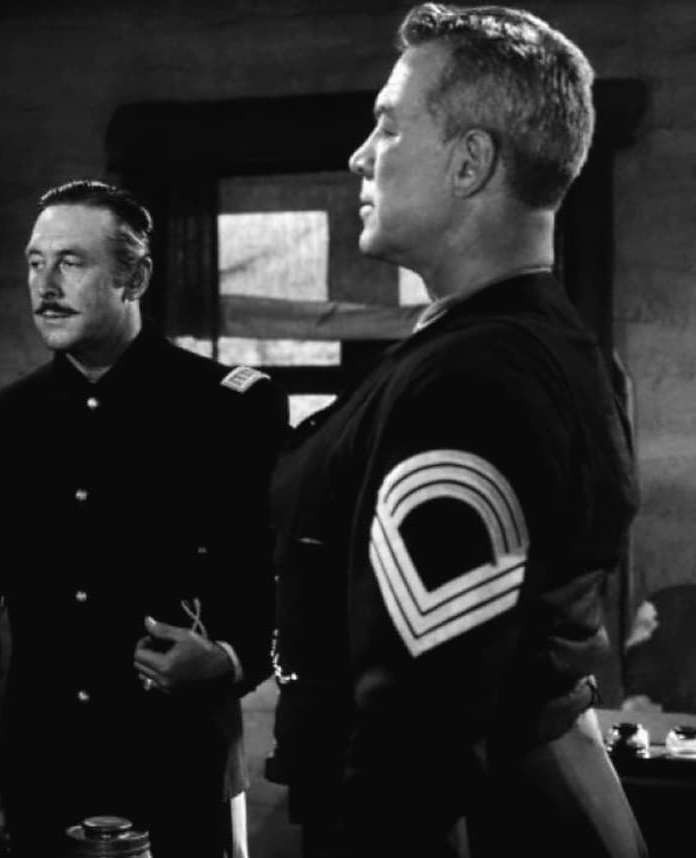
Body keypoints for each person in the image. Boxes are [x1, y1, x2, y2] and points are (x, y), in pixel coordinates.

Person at [267, 5, 646, 856]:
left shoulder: (470, 380)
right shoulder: (541, 348)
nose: (360, 155)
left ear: (469, 161)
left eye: (387, 126)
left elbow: (420, 735)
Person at [0, 179, 287, 857]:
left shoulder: (229, 410)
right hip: (41, 773)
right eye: (35, 263)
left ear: (136, 278)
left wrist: (228, 661)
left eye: (71, 262)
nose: (45, 285)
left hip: (181, 771)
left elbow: (277, 584)